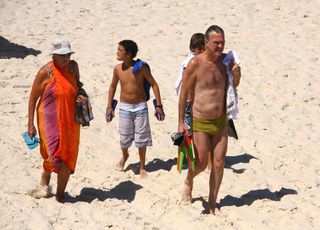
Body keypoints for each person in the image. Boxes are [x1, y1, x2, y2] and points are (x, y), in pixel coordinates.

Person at [178, 25, 241, 215]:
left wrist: (237, 74)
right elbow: (183, 94)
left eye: (222, 42)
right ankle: (189, 180)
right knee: (202, 163)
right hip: (200, 120)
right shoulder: (195, 63)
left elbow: (234, 85)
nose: (220, 46)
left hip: (221, 120)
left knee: (219, 162)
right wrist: (181, 123)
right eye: (216, 42)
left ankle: (213, 203)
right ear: (206, 43)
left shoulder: (227, 62)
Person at [27, 37, 87, 202]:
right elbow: (33, 98)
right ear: (53, 55)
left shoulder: (73, 67)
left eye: (67, 54)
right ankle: (45, 180)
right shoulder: (45, 72)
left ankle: (60, 194)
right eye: (62, 55)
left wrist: (81, 96)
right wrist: (30, 124)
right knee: (52, 155)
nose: (66, 58)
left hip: (70, 119)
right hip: (49, 120)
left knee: (67, 155)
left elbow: (78, 88)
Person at [106, 39, 165, 178]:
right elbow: (113, 86)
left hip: (140, 107)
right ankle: (125, 156)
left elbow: (154, 84)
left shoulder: (140, 68)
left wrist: (159, 105)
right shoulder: (117, 69)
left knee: (142, 137)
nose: (117, 52)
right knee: (124, 138)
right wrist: (109, 106)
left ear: (128, 54)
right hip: (125, 107)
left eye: (120, 50)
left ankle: (143, 166)